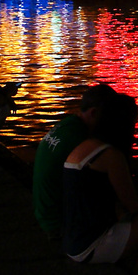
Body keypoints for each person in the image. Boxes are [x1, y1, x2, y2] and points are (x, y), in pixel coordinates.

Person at [61, 91, 138, 275]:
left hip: (73, 242)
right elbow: (133, 205)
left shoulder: (88, 146)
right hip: (91, 246)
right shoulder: (111, 156)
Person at [33, 84, 114, 239]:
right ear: (94, 113)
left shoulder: (68, 125)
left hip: (44, 212)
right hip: (57, 223)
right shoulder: (80, 139)